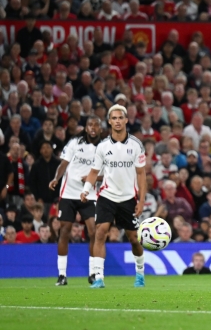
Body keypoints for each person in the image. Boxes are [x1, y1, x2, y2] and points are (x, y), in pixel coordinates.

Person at [80, 105, 147, 289]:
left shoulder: (136, 145)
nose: (117, 121)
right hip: (107, 196)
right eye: (114, 118)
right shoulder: (102, 146)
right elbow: (94, 172)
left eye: (120, 118)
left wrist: (141, 201)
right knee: (100, 232)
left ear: (126, 120)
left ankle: (140, 274)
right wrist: (86, 190)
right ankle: (99, 277)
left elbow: (141, 175)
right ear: (109, 121)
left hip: (128, 198)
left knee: (134, 239)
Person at [49, 115, 103, 286]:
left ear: (100, 129)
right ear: (86, 128)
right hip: (69, 193)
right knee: (64, 231)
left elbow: (107, 174)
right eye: (90, 124)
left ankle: (93, 273)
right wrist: (56, 179)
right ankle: (62, 275)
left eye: (96, 125)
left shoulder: (105, 148)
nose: (93, 127)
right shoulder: (74, 142)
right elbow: (63, 164)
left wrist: (92, 178)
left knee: (94, 231)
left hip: (89, 194)